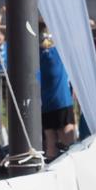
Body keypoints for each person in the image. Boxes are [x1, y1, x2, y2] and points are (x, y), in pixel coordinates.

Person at [39, 27, 76, 161]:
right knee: (69, 145)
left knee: (51, 144)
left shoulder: (37, 55)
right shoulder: (59, 53)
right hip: (62, 102)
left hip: (47, 104)